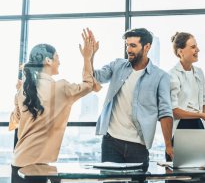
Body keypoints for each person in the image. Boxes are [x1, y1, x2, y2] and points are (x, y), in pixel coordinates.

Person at [9, 31, 95, 182]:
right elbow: (89, 85)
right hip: (34, 168)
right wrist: (87, 58)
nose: (59, 62)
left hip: (18, 162)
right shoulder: (61, 88)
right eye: (57, 58)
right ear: (48, 61)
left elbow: (14, 122)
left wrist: (17, 96)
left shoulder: (23, 90)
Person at [89, 28, 173, 165]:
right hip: (111, 142)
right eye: (127, 45)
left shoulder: (161, 77)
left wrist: (168, 145)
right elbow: (94, 77)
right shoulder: (117, 65)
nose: (128, 49)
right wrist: (89, 57)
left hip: (138, 146)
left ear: (147, 47)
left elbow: (165, 113)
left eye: (133, 45)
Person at [167, 32, 205, 160]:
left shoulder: (199, 72)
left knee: (202, 171)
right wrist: (202, 115)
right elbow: (174, 111)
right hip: (180, 127)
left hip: (198, 125)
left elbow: (203, 99)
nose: (198, 50)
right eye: (193, 47)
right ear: (180, 51)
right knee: (179, 175)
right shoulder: (172, 75)